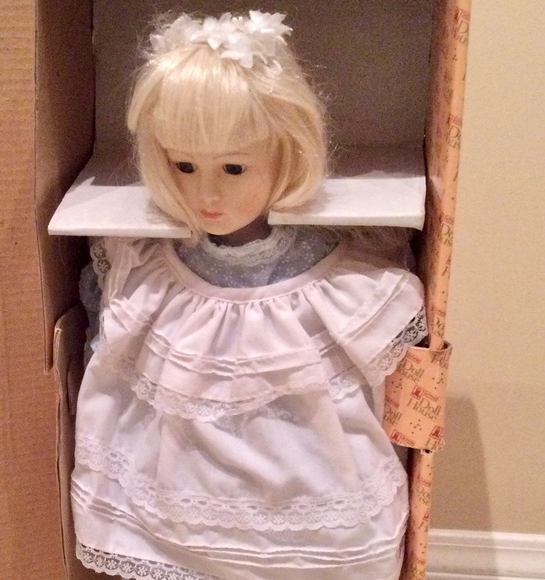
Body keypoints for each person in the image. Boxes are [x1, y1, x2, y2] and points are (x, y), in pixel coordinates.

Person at [71, 11, 427, 580]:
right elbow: (101, 353)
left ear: (288, 151)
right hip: (171, 497)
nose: (206, 193)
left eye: (234, 168)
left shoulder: (344, 276)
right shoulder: (142, 265)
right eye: (183, 165)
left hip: (310, 499)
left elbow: (400, 382)